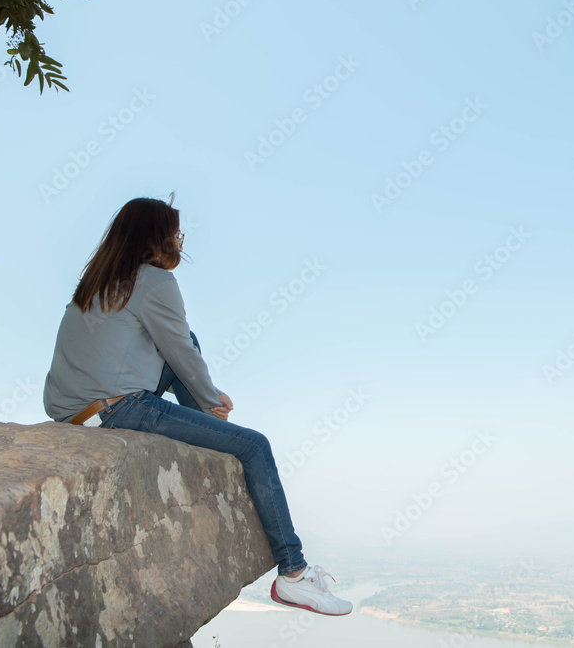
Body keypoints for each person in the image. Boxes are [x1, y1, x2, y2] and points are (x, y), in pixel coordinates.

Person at [41, 196, 352, 616]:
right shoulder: (154, 280)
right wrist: (210, 400)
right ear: (158, 236)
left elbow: (173, 349)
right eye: (176, 233)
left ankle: (209, 428)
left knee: (190, 339)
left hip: (77, 412)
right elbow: (180, 354)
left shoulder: (98, 282)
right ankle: (293, 575)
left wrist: (208, 396)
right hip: (119, 408)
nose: (179, 241)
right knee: (254, 446)